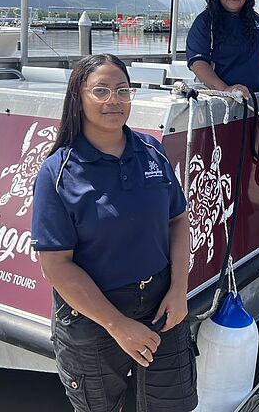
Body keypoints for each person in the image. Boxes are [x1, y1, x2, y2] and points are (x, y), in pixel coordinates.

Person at [31, 54, 197, 412]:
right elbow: (56, 267)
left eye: (123, 90)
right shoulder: (57, 172)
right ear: (79, 97)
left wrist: (179, 291)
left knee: (172, 405)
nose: (114, 101)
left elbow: (177, 220)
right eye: (101, 90)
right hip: (94, 320)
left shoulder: (151, 150)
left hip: (161, 305)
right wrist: (117, 325)